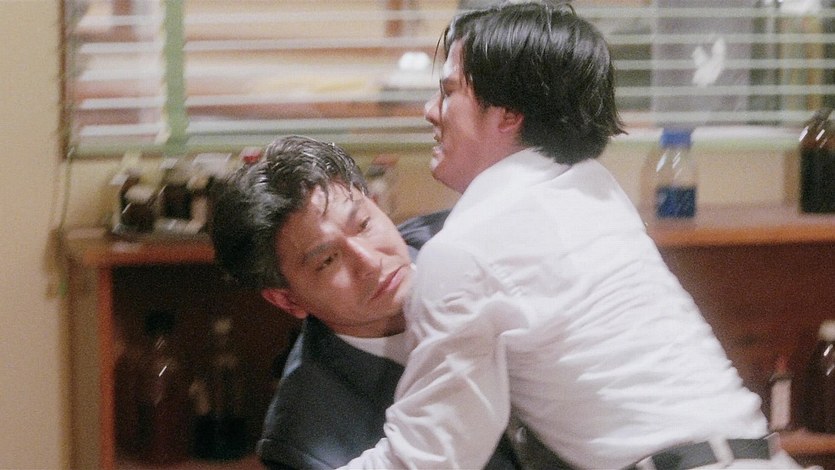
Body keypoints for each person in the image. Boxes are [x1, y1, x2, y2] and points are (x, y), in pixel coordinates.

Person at [342, 2, 802, 469]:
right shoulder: (592, 187)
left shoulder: (465, 250)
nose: (430, 111)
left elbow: (433, 456)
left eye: (448, 92)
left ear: (508, 113)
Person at [209, 135, 521, 469]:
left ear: (375, 203)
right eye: (328, 260)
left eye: (363, 224)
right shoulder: (304, 438)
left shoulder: (473, 233)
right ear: (287, 299)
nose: (370, 262)